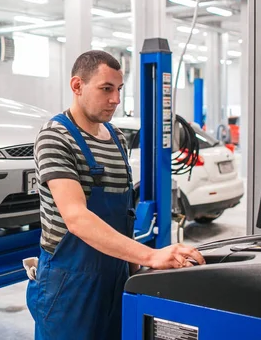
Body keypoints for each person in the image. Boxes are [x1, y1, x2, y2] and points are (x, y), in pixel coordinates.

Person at [25, 50, 205, 340]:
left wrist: (140, 273)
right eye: (106, 89)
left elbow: (123, 217)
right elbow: (77, 218)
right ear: (77, 86)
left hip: (116, 277)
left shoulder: (118, 139)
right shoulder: (55, 137)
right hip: (69, 287)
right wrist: (153, 254)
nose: (116, 99)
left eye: (119, 89)